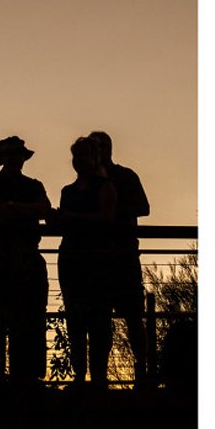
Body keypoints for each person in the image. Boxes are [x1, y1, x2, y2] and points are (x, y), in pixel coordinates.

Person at [0, 136, 52, 385]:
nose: (14, 159)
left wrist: (10, 207)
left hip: (22, 259)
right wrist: (24, 209)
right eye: (10, 155)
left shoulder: (29, 184)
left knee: (27, 322)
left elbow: (44, 209)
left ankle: (23, 377)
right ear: (2, 159)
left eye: (17, 155)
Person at [87, 131, 154, 386]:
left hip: (124, 255)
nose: (99, 150)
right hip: (97, 259)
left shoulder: (125, 176)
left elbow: (144, 208)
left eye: (102, 146)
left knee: (133, 317)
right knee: (100, 321)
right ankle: (100, 376)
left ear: (110, 148)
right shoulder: (88, 181)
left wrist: (112, 212)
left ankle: (141, 371)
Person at [55, 137, 117, 387]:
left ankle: (99, 376)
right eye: (76, 156)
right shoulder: (67, 191)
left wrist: (71, 217)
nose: (80, 160)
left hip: (97, 259)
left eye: (84, 155)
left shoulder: (105, 187)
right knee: (76, 320)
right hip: (71, 257)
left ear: (94, 159)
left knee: (99, 320)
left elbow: (107, 219)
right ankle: (80, 375)